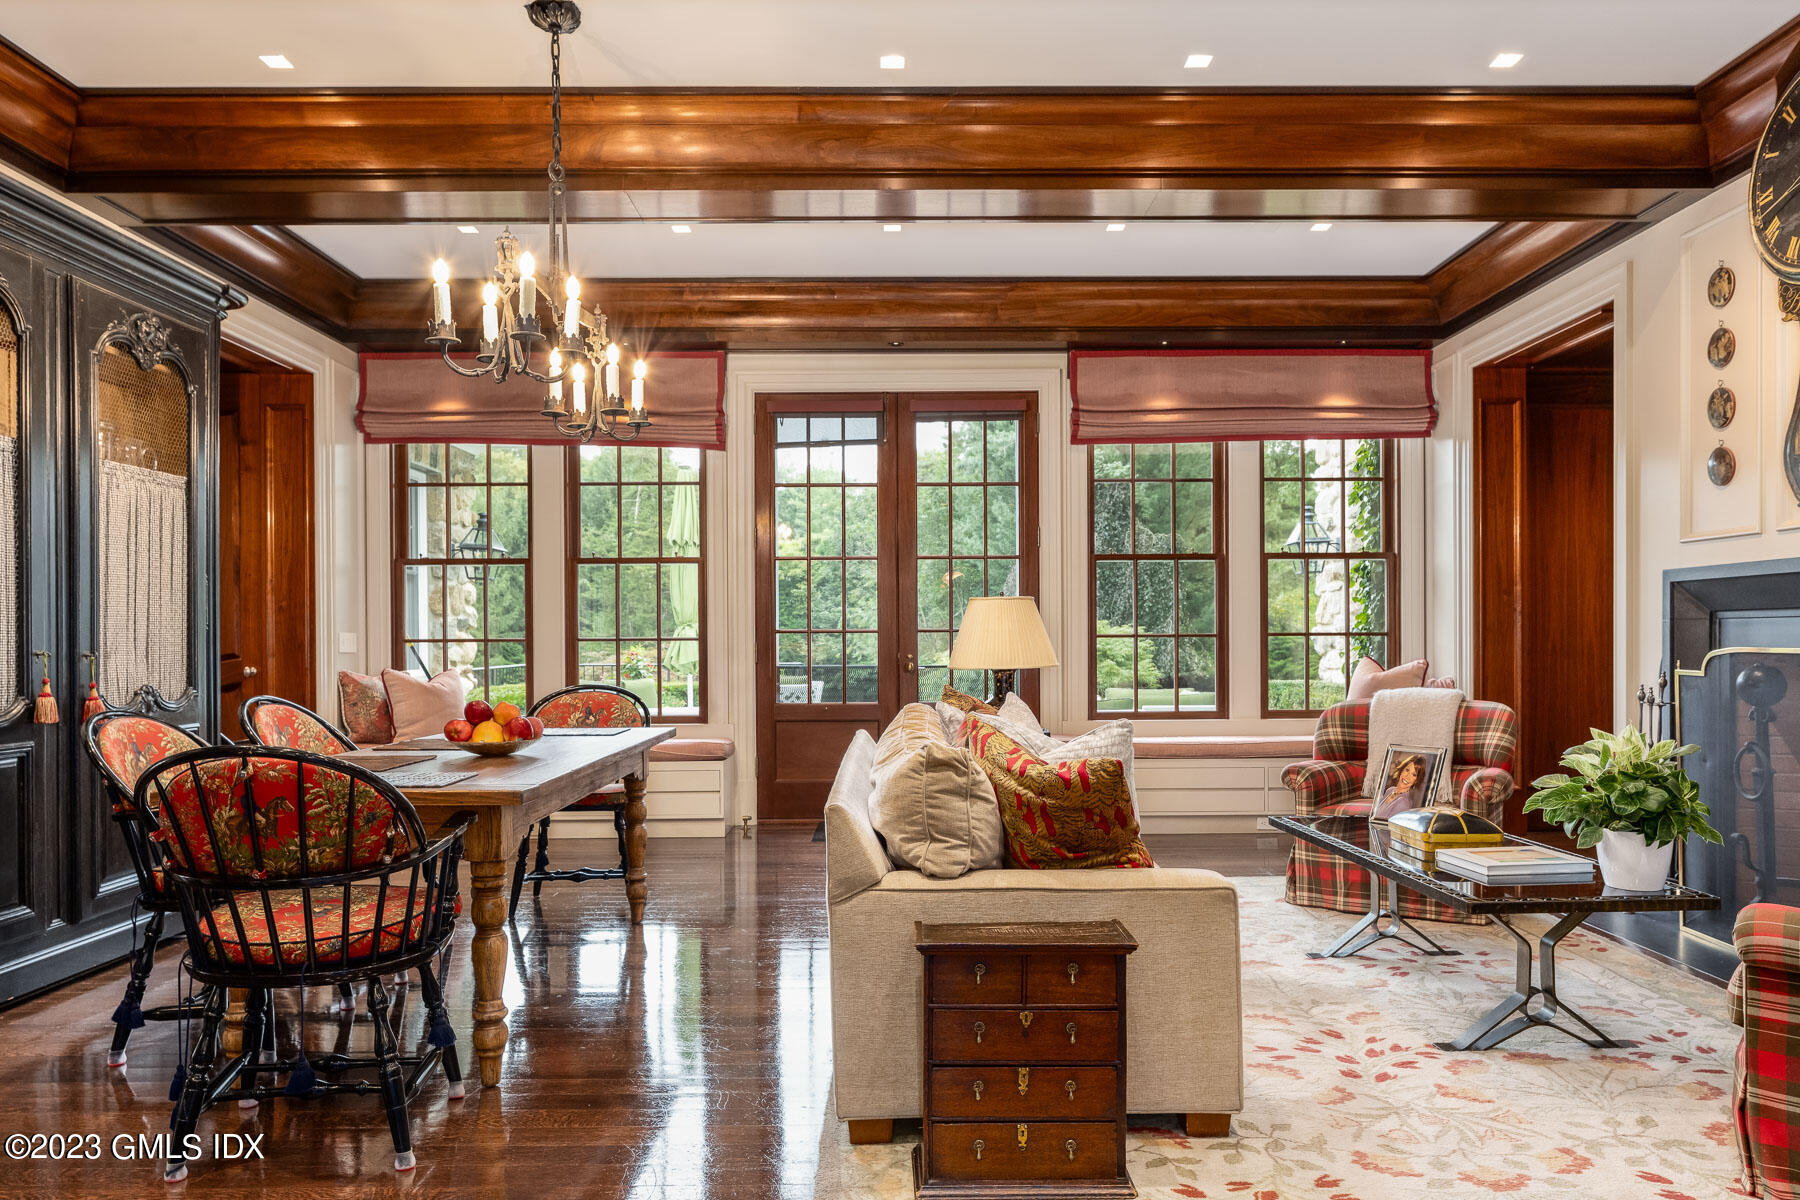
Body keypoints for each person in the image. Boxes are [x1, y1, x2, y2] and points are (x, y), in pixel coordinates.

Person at [1374, 752, 1430, 820]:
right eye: (1407, 770)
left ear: (1416, 780)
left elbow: (1390, 828)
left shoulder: (1403, 803)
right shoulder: (1390, 790)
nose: (1407, 777)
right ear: (1402, 769)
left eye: (1413, 775)